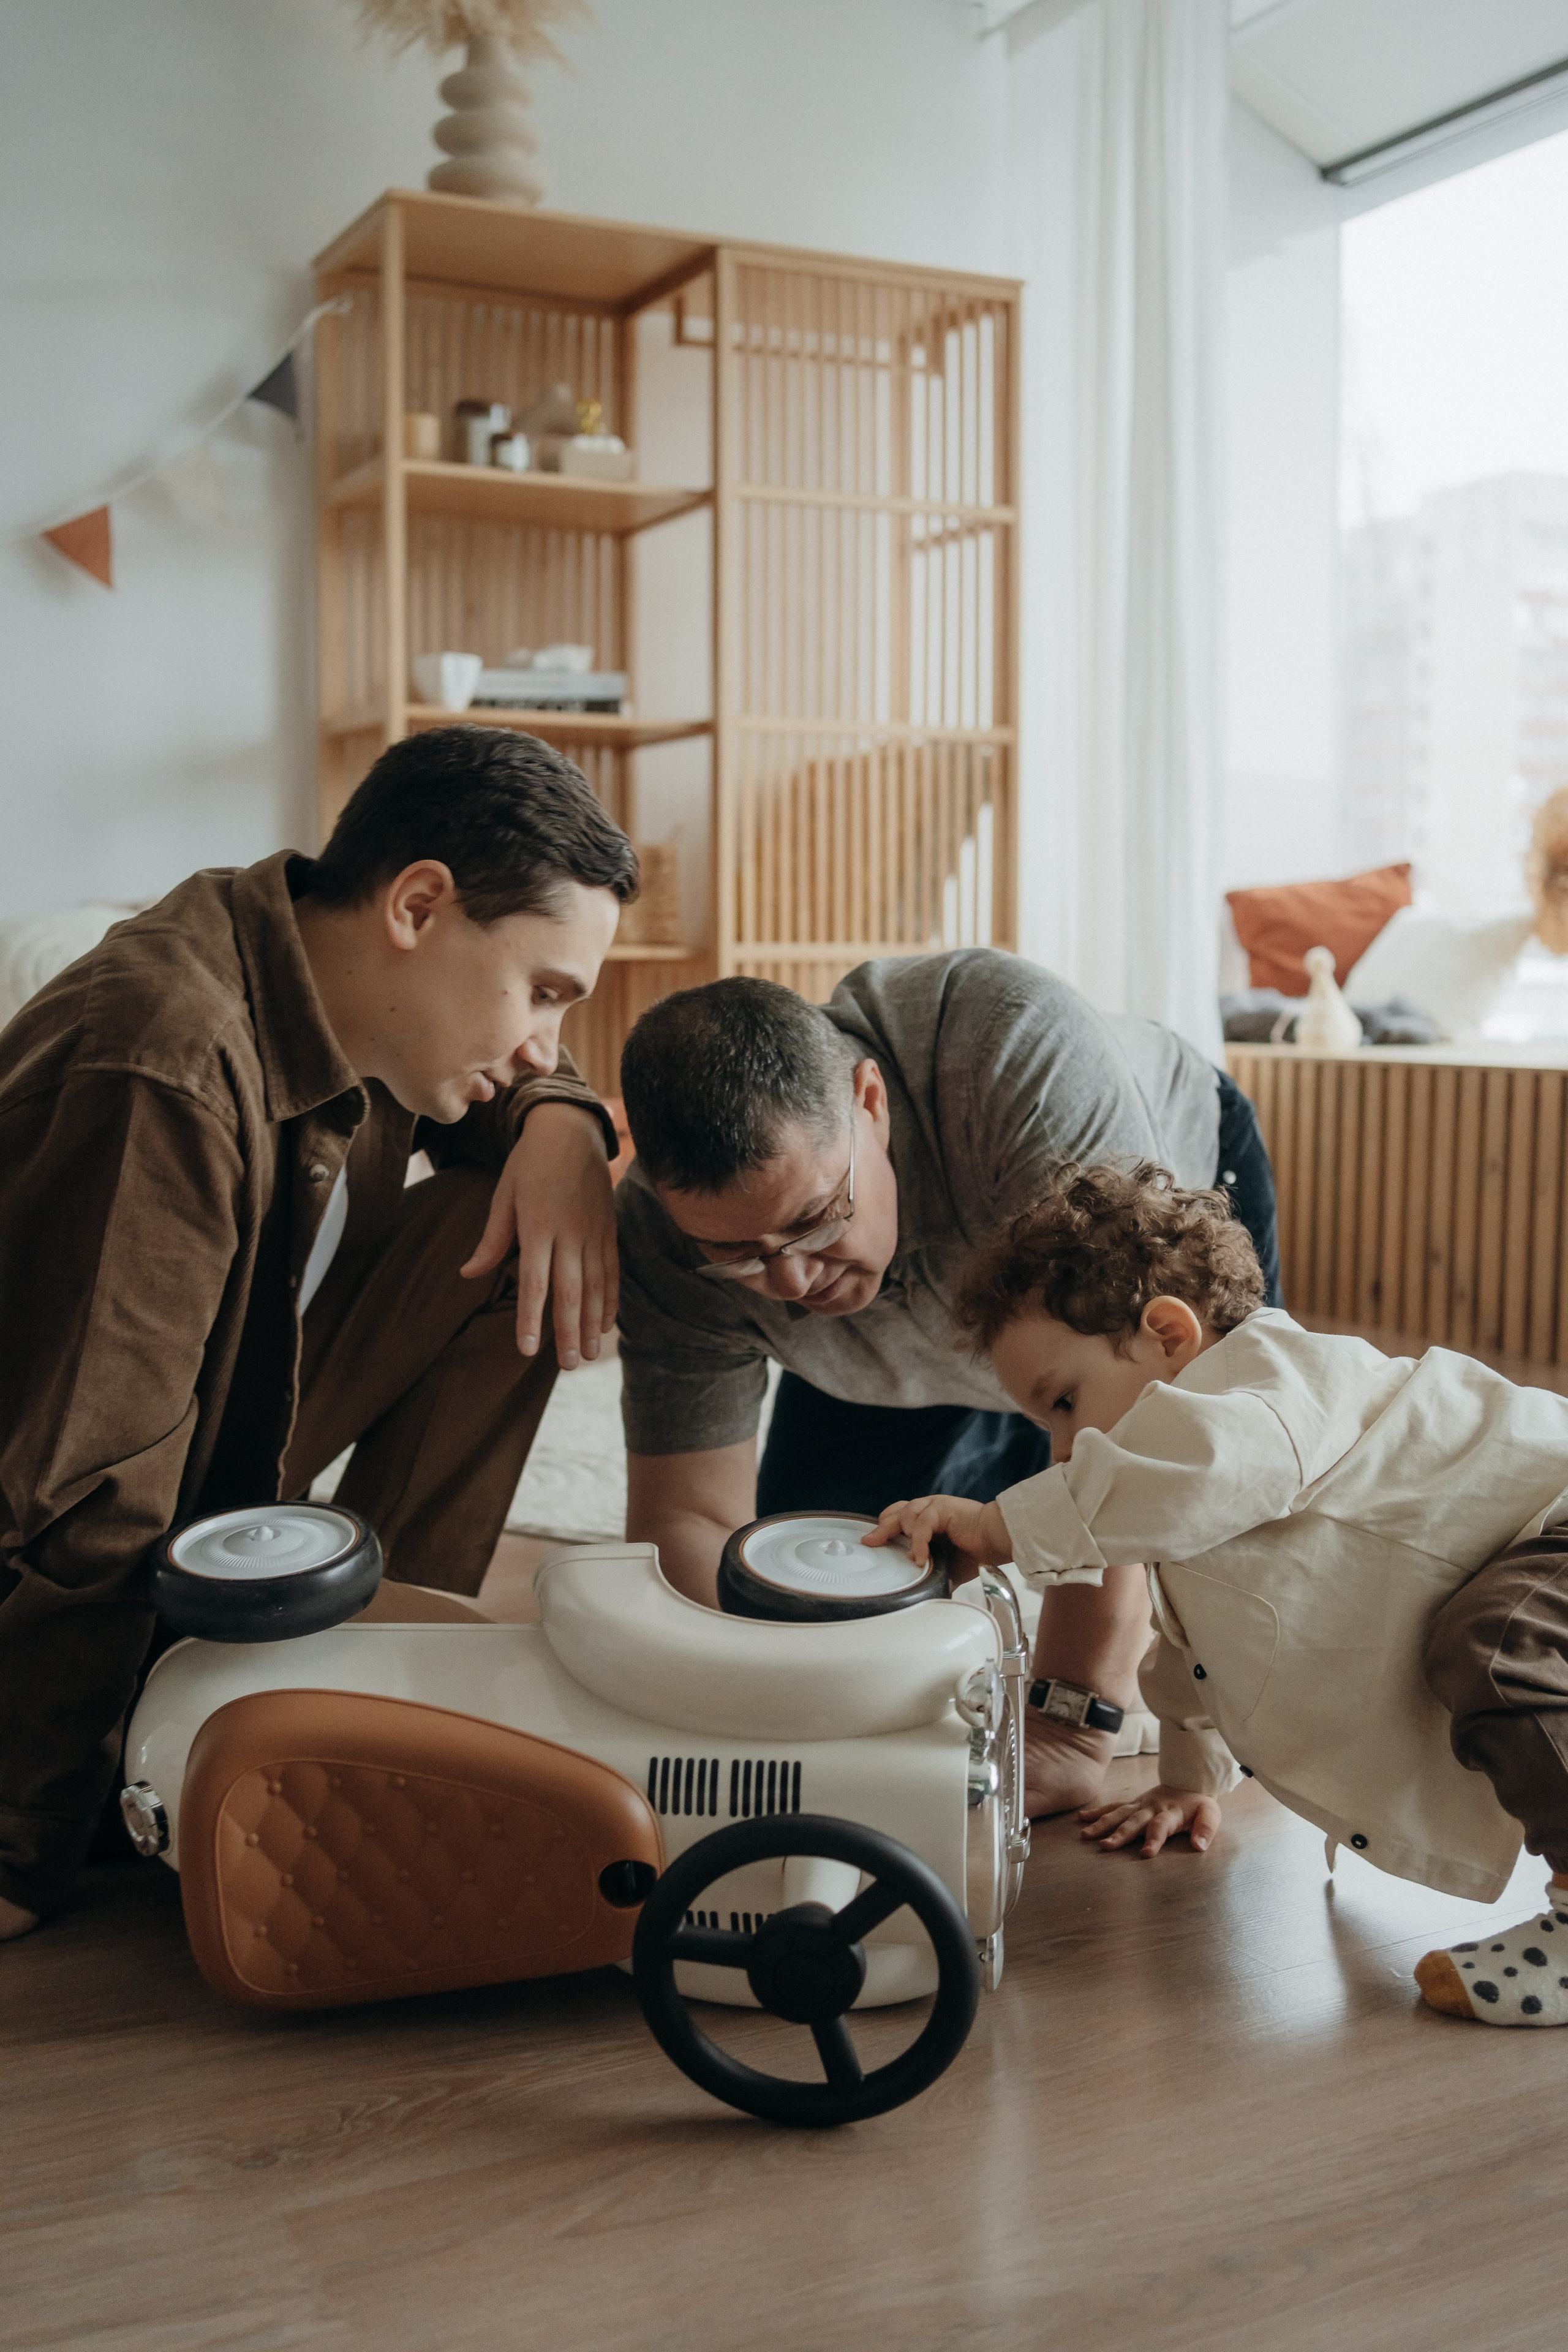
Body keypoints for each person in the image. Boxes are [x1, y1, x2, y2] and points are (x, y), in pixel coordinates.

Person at [0, 726, 638, 1942]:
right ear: (417, 906)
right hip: (49, 1561)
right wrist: (23, 1845)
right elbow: (85, 1487)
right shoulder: (169, 1060)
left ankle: (374, 1707)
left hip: (211, 1468)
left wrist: (562, 1121)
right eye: (544, 992)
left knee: (496, 1229)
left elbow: (527, 1095)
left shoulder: (353, 994)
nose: (546, 1036)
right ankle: (171, 1744)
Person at [867, 1159, 1568, 2027]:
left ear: (1168, 1333)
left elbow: (1208, 1467)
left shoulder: (1272, 1384)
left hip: (1556, 1519)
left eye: (1064, 1403)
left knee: (1497, 1648)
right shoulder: (1189, 1504)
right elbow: (1199, 1656)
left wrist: (1002, 1527)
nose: (1058, 1450)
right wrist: (1190, 1780)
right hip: (1531, 1552)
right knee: (1490, 1646)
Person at [614, 952, 1281, 1820]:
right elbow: (689, 1519)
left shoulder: (1014, 1055)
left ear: (869, 1101)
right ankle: (999, 1437)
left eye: (816, 1219)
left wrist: (1073, 1724)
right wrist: (742, 1710)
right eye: (738, 1255)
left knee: (1218, 1521)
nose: (790, 1283)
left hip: (1136, 1254)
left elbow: (1127, 1436)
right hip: (902, 1335)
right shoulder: (666, 1236)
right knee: (811, 1595)